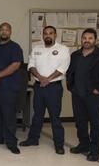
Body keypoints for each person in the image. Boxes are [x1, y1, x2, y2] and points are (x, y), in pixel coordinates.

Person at [66, 28, 99, 161]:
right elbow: (70, 72)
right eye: (84, 38)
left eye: (90, 38)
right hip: (77, 94)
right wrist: (71, 87)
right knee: (80, 122)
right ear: (81, 39)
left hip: (94, 96)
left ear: (95, 40)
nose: (87, 40)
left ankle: (95, 150)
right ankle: (84, 144)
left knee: (95, 123)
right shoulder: (75, 55)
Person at [19, 26, 70, 154]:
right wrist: (41, 78)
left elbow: (63, 68)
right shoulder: (37, 48)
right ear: (42, 35)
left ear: (55, 35)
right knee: (37, 115)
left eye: (51, 33)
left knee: (54, 117)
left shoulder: (63, 49)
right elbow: (31, 66)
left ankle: (59, 145)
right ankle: (33, 139)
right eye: (45, 33)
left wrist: (47, 79)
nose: (48, 35)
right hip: (39, 86)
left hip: (54, 87)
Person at [0, 22, 24, 154]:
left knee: (8, 115)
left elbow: (15, 65)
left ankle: (11, 142)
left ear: (10, 32)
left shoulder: (15, 47)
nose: (4, 32)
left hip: (8, 87)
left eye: (6, 30)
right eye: (2, 30)